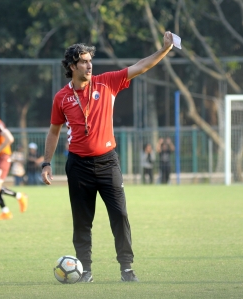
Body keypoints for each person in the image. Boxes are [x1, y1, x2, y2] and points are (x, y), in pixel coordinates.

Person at [41, 31, 175, 282]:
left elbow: (141, 66)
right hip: (78, 166)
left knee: (120, 215)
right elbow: (53, 131)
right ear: (72, 65)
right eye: (84, 61)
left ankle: (127, 268)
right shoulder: (62, 97)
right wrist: (46, 163)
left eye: (91, 60)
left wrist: (165, 49)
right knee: (82, 222)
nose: (90, 65)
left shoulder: (107, 82)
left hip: (108, 162)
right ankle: (86, 271)